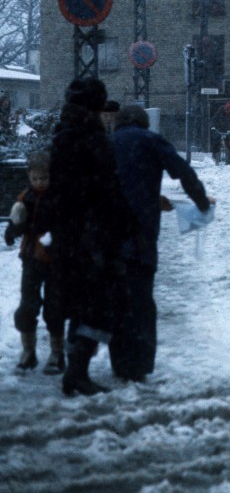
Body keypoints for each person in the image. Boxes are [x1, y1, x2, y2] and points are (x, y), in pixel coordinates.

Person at [32, 78, 139, 396]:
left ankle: (75, 368)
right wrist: (128, 222)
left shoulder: (63, 134)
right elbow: (106, 186)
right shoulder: (91, 136)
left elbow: (60, 186)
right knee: (101, 302)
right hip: (93, 233)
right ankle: (77, 371)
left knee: (80, 300)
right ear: (95, 103)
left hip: (70, 232)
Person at [108, 104, 212, 382]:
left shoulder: (107, 143)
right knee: (141, 299)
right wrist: (201, 202)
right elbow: (183, 171)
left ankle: (119, 363)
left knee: (118, 298)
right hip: (142, 230)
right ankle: (140, 364)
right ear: (143, 123)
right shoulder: (152, 141)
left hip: (110, 233)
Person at [4, 151, 66, 375]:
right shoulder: (25, 198)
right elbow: (18, 220)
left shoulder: (59, 197)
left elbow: (66, 225)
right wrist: (13, 230)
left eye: (44, 178)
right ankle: (28, 352)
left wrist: (57, 239)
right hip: (31, 258)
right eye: (35, 178)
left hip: (55, 260)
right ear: (29, 176)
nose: (40, 182)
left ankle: (58, 354)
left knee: (55, 307)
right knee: (27, 306)